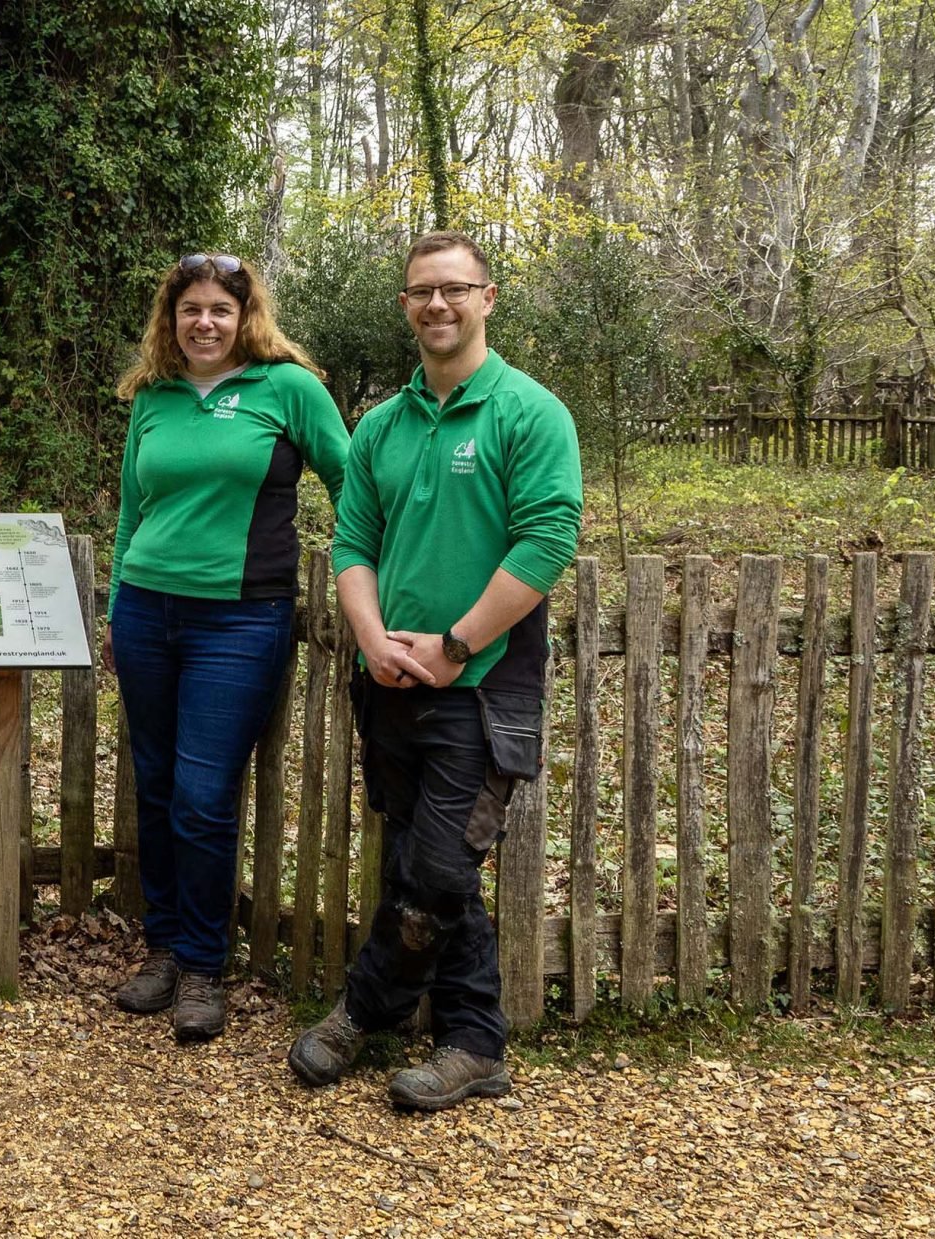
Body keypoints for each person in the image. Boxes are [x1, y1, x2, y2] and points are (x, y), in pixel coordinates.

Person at [288, 231, 581, 1111]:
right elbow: (353, 541)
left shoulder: (530, 414)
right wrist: (374, 638)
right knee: (420, 863)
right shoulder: (380, 425)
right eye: (421, 292)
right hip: (389, 680)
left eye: (455, 289)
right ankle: (473, 1040)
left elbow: (546, 539)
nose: (437, 305)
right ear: (406, 306)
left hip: (483, 684)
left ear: (488, 298)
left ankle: (362, 1009)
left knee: (442, 871)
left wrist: (455, 646)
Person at [104, 252, 349, 1042]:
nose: (204, 322)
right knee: (155, 785)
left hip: (238, 622)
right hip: (147, 612)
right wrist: (116, 610)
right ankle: (165, 951)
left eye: (220, 308)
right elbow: (131, 513)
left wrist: (367, 576)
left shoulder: (288, 389)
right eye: (190, 310)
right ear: (169, 320)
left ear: (247, 317)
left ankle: (205, 965)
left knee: (203, 796)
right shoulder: (153, 397)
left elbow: (354, 483)